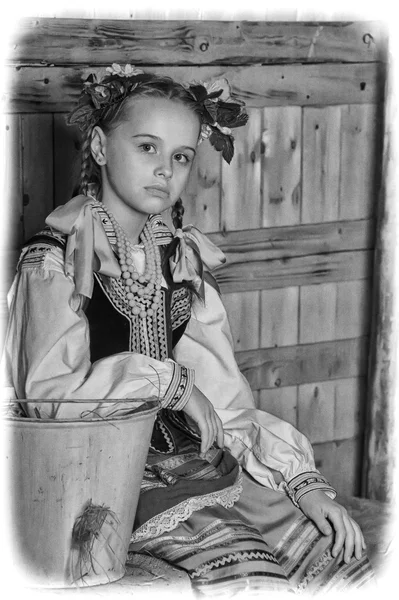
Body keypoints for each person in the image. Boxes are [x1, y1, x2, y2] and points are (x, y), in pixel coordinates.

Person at [3, 63, 374, 595]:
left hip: (201, 468)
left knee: (332, 556)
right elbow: (51, 398)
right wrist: (168, 384)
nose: (165, 170)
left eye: (180, 157)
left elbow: (223, 403)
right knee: (252, 577)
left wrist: (298, 481)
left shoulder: (179, 258)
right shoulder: (55, 260)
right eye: (147, 148)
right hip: (106, 483)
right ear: (102, 148)